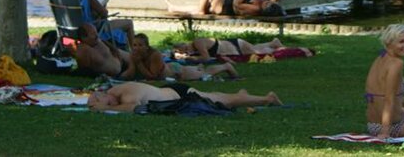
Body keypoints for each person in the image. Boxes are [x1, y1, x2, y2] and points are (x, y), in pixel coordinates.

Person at [87, 81, 282, 113]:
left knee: (222, 101)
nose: (98, 106)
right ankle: (242, 96)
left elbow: (134, 107)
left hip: (179, 94)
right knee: (220, 97)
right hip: (170, 93)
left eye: (98, 103)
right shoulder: (116, 93)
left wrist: (105, 109)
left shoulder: (124, 92)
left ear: (103, 95)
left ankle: (267, 98)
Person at [123, 33, 238, 81]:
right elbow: (130, 73)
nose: (136, 48)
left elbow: (153, 77)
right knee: (200, 70)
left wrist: (138, 64)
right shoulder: (134, 55)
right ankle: (199, 66)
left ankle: (226, 67)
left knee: (202, 74)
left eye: (140, 45)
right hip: (171, 70)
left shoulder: (154, 55)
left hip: (176, 71)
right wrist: (118, 78)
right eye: (134, 45)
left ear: (147, 47)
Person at [365, 24, 404, 139]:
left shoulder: (381, 57)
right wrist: (385, 132)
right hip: (393, 126)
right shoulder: (396, 64)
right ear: (389, 43)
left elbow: (391, 97)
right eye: (401, 42)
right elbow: (389, 99)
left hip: (372, 125)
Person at [171, 35, 308, 61]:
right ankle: (273, 42)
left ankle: (278, 47)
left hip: (235, 47)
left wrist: (188, 58)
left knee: (260, 53)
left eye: (181, 50)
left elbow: (206, 58)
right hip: (234, 46)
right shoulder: (195, 47)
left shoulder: (198, 43)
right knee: (256, 48)